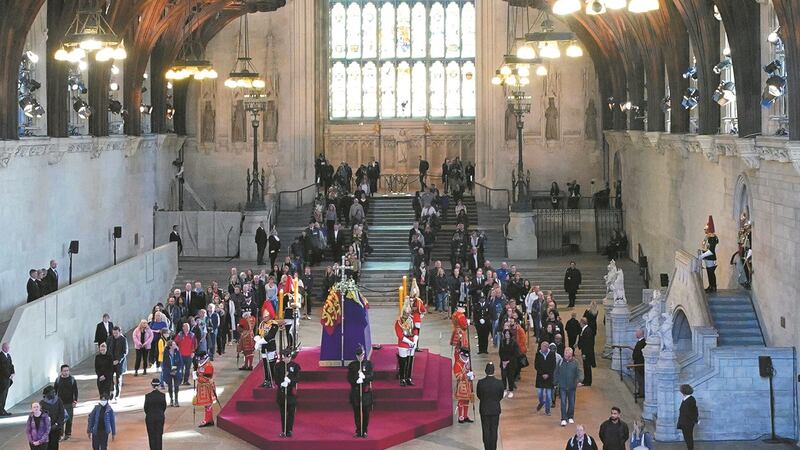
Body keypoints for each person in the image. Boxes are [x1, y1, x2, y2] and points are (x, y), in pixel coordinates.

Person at [347, 344, 374, 438]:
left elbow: (372, 376)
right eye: (358, 356)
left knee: (366, 413)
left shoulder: (368, 364)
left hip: (365, 393)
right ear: (356, 356)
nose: (360, 357)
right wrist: (356, 380)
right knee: (357, 413)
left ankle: (365, 430)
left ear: (364, 354)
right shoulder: (352, 365)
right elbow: (349, 378)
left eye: (362, 355)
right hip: (355, 392)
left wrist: (364, 377)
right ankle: (358, 430)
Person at [476, 362, 504, 450]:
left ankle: (487, 448)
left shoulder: (481, 383)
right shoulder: (499, 383)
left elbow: (479, 395)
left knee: (486, 430)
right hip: (495, 409)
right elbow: (501, 396)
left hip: (484, 409)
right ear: (494, 371)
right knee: (494, 430)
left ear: (485, 371)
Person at [275, 348, 301, 437]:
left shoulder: (295, 366)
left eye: (288, 357)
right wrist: (281, 383)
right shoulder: (278, 366)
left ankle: (289, 430)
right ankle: (284, 430)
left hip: (291, 394)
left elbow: (298, 378)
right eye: (284, 357)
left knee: (291, 413)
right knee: (283, 413)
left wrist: (290, 381)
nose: (286, 359)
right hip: (282, 393)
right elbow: (276, 379)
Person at [555, 347, 582, 426]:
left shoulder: (575, 362)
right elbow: (556, 372)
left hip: (572, 386)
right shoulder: (560, 362)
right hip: (562, 386)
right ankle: (563, 418)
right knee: (563, 402)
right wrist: (555, 382)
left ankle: (570, 416)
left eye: (569, 356)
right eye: (566, 355)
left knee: (572, 403)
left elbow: (579, 372)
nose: (567, 357)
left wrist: (579, 380)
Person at [53, 364, 78, 441]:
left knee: (69, 419)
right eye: (64, 371)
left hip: (69, 403)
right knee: (60, 420)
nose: (66, 372)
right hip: (60, 403)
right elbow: (54, 391)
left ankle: (68, 434)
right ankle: (60, 435)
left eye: (67, 370)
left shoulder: (72, 380)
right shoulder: (58, 380)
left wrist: (75, 401)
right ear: (61, 372)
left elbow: (75, 391)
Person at [255, 309, 279, 388]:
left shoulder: (274, 324)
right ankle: (267, 380)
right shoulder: (262, 324)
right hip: (263, 347)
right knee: (265, 364)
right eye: (264, 316)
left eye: (266, 316)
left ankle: (273, 379)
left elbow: (271, 335)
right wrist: (257, 339)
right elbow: (258, 333)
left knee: (271, 364)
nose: (264, 318)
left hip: (270, 346)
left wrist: (260, 341)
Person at [194, 351, 217, 427]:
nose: (198, 360)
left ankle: (207, 420)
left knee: (208, 404)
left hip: (207, 387)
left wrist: (198, 377)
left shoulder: (208, 366)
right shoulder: (202, 365)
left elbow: (207, 378)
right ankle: (209, 419)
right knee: (207, 405)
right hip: (203, 387)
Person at [395, 309, 417, 386]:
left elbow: (415, 331)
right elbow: (400, 335)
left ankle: (408, 378)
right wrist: (410, 342)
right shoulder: (398, 322)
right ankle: (402, 378)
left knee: (410, 362)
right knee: (403, 362)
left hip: (411, 343)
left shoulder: (411, 320)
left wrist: (415, 342)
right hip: (403, 344)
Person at [453, 346, 474, 424]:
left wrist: (472, 375)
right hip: (461, 386)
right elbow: (457, 376)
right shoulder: (457, 364)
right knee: (461, 401)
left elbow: (471, 372)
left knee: (467, 401)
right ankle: (460, 417)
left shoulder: (468, 363)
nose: (465, 358)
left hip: (468, 385)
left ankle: (465, 416)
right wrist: (466, 374)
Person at [534, 341, 556, 416]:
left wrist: (548, 374)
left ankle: (547, 410)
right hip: (540, 377)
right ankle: (541, 402)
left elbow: (553, 366)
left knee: (549, 396)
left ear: (547, 347)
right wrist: (542, 374)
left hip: (549, 378)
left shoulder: (552, 354)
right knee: (539, 393)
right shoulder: (538, 354)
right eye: (541, 346)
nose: (542, 348)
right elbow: (536, 366)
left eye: (543, 347)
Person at [144, 378, 167, 449]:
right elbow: (164, 407)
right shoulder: (162, 395)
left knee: (151, 436)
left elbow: (145, 408)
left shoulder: (148, 396)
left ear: (152, 385)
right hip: (159, 417)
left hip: (150, 418)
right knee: (159, 435)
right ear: (159, 385)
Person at [106, 326, 128, 401]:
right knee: (110, 377)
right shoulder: (109, 339)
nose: (115, 334)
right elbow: (107, 349)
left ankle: (117, 395)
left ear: (120, 332)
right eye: (113, 333)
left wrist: (118, 360)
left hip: (119, 363)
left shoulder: (123, 339)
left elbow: (125, 351)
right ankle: (112, 391)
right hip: (110, 362)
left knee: (118, 378)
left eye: (116, 333)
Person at [40, 386, 64, 450]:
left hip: (56, 427)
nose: (54, 394)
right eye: (52, 392)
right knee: (47, 446)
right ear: (46, 394)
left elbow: (62, 413)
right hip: (46, 429)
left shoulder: (58, 400)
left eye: (54, 392)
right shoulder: (42, 403)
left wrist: (57, 424)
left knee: (55, 445)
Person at [699, 215, 718, 293]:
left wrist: (702, 256)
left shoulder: (712, 238)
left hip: (710, 257)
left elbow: (711, 250)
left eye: (706, 229)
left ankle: (713, 286)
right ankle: (710, 286)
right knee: (709, 272)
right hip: (707, 257)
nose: (705, 230)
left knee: (711, 272)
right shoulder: (708, 237)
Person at [498, 329, 520, 398]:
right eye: (506, 334)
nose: (507, 335)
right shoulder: (502, 342)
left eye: (508, 334)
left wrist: (508, 361)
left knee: (510, 377)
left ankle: (510, 390)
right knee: (503, 377)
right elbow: (500, 352)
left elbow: (516, 354)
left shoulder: (514, 343)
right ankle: (504, 390)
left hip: (511, 363)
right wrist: (503, 361)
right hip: (503, 362)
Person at [161, 339, 183, 407]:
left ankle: (176, 400)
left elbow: (180, 362)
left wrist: (176, 370)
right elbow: (164, 363)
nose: (175, 345)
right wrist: (169, 371)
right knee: (170, 386)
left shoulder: (177, 351)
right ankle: (171, 399)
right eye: (174, 344)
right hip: (168, 371)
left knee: (176, 386)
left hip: (176, 370)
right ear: (170, 346)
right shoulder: (166, 352)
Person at [678, 384, 698, 450]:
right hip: (685, 422)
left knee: (688, 438)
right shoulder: (688, 399)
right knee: (687, 438)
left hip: (687, 423)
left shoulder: (690, 400)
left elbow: (691, 412)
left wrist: (695, 420)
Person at [577, 317, 596, 387]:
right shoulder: (586, 330)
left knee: (587, 366)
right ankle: (586, 380)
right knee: (585, 366)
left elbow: (587, 344)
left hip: (587, 353)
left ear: (582, 323)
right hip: (586, 352)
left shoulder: (587, 331)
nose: (579, 324)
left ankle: (587, 382)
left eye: (580, 323)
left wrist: (584, 353)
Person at [0, 342, 14, 416]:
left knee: (5, 395)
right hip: (2, 380)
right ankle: (1, 410)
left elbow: (11, 365)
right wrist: (9, 375)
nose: (8, 349)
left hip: (7, 379)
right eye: (7, 347)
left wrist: (13, 373)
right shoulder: (1, 356)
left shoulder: (8, 355)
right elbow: (2, 368)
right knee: (2, 396)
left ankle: (2, 409)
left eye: (8, 347)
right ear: (3, 348)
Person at [631, 329, 646, 397]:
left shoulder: (642, 342)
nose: (635, 334)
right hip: (638, 363)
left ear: (640, 334)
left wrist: (634, 358)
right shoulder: (641, 342)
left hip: (640, 364)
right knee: (639, 379)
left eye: (636, 333)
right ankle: (640, 392)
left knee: (641, 379)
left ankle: (642, 393)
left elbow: (637, 353)